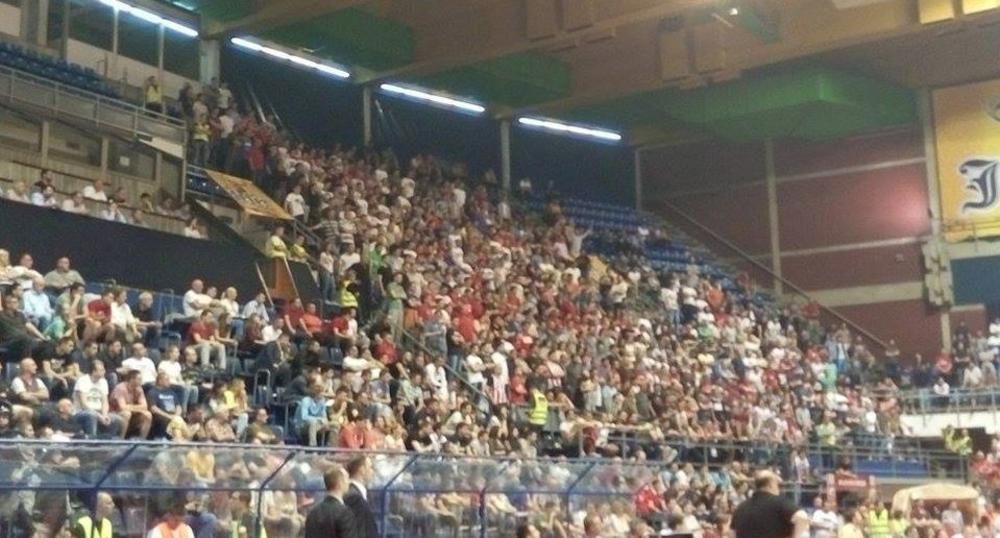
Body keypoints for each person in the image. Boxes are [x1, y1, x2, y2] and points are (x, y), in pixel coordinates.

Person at [731, 471, 809, 538]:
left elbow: (732, 532)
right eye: (777, 485)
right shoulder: (779, 503)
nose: (778, 489)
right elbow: (802, 517)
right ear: (770, 485)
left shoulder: (741, 507)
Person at [304, 465, 357, 538]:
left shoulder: (313, 513)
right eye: (347, 479)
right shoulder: (345, 514)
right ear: (340, 483)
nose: (349, 482)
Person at [344, 455, 378, 538]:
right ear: (362, 470)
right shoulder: (353, 497)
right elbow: (357, 528)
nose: (373, 471)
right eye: (370, 467)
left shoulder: (362, 494)